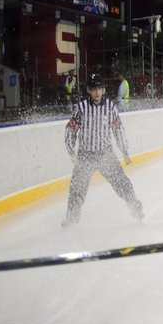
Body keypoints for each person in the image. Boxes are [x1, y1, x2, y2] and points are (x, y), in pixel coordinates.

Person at [62, 75, 144, 226]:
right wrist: (70, 149)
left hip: (105, 153)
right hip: (85, 155)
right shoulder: (81, 108)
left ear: (103, 90)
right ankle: (71, 219)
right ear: (89, 91)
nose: (97, 92)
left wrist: (124, 150)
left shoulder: (110, 107)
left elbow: (118, 129)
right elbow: (71, 129)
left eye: (99, 89)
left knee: (121, 182)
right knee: (77, 189)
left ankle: (134, 205)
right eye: (93, 89)